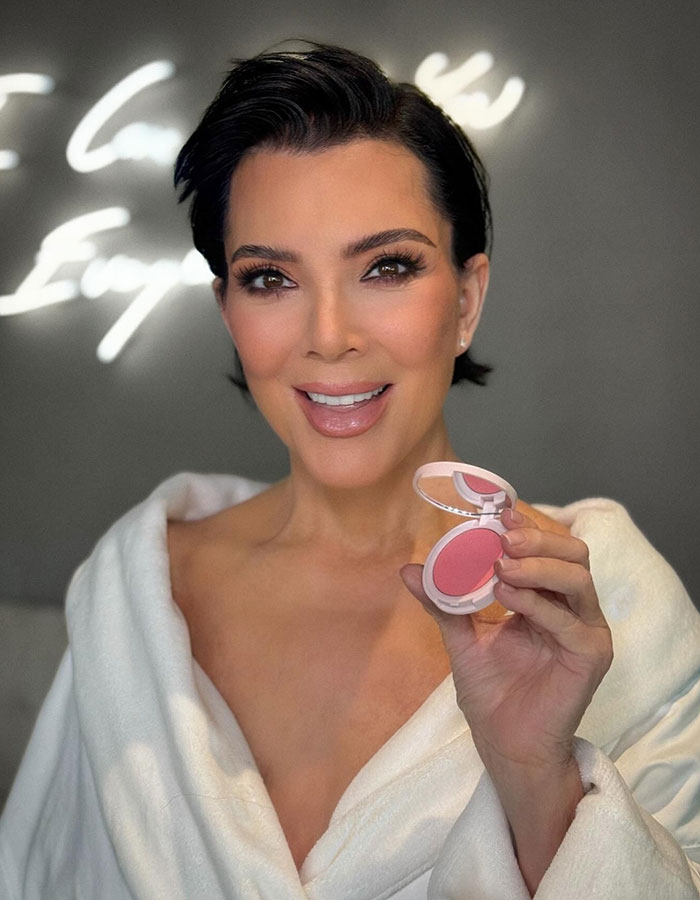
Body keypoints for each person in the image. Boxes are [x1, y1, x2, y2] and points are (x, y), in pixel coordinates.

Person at [1, 43, 699, 900]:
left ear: (467, 299)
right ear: (228, 312)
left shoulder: (603, 600)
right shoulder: (135, 596)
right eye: (270, 278)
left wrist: (535, 779)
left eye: (387, 267)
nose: (329, 335)